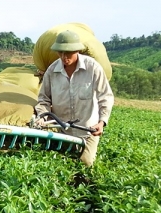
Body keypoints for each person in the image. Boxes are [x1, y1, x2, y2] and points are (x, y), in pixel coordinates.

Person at [34, 30, 114, 166]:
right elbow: (44, 99)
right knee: (62, 164)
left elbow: (105, 96)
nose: (64, 56)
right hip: (62, 130)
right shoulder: (52, 71)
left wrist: (102, 122)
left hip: (88, 130)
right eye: (61, 52)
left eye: (68, 52)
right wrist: (42, 116)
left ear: (77, 50)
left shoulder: (92, 68)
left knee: (85, 162)